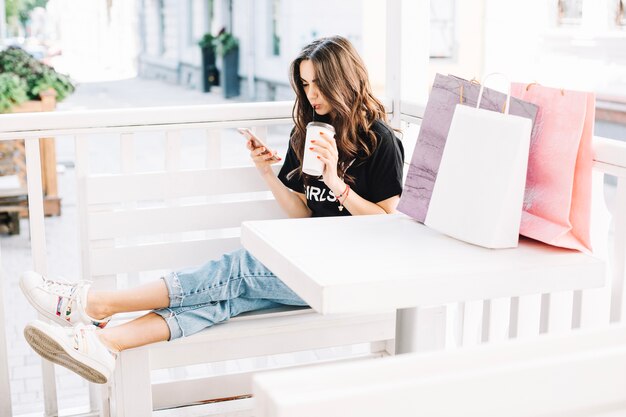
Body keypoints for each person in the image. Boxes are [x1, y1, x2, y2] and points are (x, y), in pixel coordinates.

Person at [20, 35, 405, 384]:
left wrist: (337, 183)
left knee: (238, 270)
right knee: (226, 297)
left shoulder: (380, 140)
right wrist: (266, 172)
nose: (311, 95)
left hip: (346, 271)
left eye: (318, 84)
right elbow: (303, 214)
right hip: (306, 262)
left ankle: (94, 303)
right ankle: (105, 343)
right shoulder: (308, 132)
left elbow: (387, 224)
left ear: (343, 80)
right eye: (305, 85)